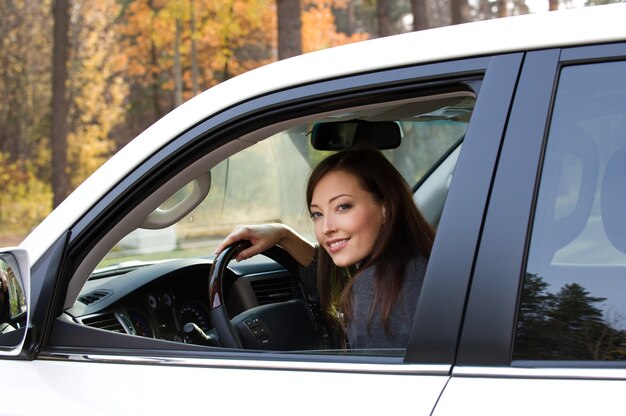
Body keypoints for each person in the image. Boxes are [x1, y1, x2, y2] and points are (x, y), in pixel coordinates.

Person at [215, 146, 435, 349]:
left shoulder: (376, 290)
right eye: (317, 214)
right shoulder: (421, 260)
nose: (326, 228)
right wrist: (282, 234)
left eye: (343, 207)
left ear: (385, 207)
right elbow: (334, 279)